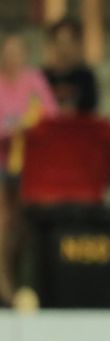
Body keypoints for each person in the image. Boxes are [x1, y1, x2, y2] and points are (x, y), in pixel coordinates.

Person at [0, 31, 58, 307]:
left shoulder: (34, 81)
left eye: (16, 52)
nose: (11, 58)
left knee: (22, 224)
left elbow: (51, 115)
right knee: (2, 218)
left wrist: (27, 126)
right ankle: (3, 280)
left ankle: (19, 274)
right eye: (7, 52)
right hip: (1, 160)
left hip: (30, 163)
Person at [42, 18, 99, 114]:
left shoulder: (86, 77)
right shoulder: (42, 77)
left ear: (76, 45)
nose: (64, 48)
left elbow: (90, 109)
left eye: (69, 42)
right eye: (60, 42)